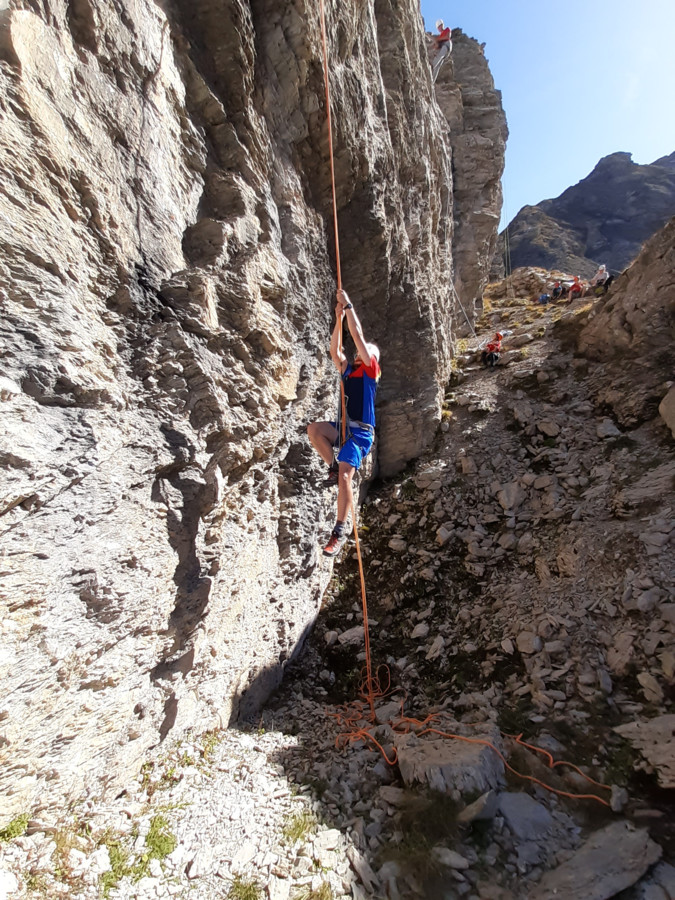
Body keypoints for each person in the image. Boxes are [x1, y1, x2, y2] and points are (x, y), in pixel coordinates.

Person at [307, 289, 381, 558]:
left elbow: (358, 336)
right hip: (347, 427)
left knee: (346, 476)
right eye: (361, 353)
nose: (361, 353)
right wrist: (338, 320)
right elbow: (334, 350)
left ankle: (339, 531)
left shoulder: (371, 371)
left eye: (366, 352)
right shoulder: (350, 370)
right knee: (315, 430)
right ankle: (332, 466)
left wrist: (348, 306)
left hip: (361, 433)